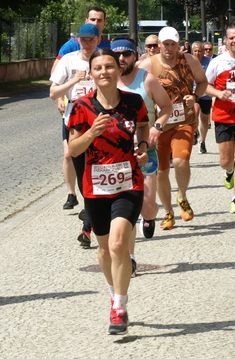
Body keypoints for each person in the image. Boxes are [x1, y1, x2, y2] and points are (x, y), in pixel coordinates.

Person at [68, 48, 150, 334]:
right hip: (95, 187)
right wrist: (91, 132)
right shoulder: (81, 107)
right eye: (98, 68)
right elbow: (73, 149)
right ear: (91, 73)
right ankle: (113, 291)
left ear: (119, 69)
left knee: (118, 244)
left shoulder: (134, 101)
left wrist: (142, 148)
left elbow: (142, 126)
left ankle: (119, 306)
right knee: (104, 250)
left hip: (129, 182)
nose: (104, 72)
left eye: (110, 67)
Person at [112, 39, 172, 275]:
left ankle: (151, 215)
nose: (121, 59)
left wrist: (157, 126)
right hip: (117, 154)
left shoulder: (146, 79)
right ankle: (130, 258)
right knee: (126, 210)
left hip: (146, 149)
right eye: (117, 55)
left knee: (147, 207)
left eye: (126, 54)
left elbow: (166, 106)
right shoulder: (107, 81)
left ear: (134, 55)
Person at [139, 26, 207, 230]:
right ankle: (168, 212)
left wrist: (194, 97)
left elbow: (202, 82)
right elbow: (135, 89)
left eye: (173, 44)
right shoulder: (148, 64)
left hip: (183, 121)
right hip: (157, 126)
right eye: (165, 44)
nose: (169, 48)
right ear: (159, 45)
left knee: (180, 161)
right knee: (161, 171)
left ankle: (182, 196)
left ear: (179, 44)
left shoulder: (188, 61)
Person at [50, 23, 101, 247]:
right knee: (79, 167)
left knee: (98, 168)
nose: (87, 43)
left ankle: (88, 224)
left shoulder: (102, 59)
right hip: (75, 121)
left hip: (100, 120)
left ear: (98, 40)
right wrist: (74, 81)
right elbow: (53, 92)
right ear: (78, 40)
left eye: (91, 39)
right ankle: (89, 210)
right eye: (83, 39)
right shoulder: (68, 60)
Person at [204, 23, 235, 214]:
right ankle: (229, 171)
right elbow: (203, 86)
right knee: (226, 161)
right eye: (231, 38)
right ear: (226, 40)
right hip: (223, 116)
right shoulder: (217, 62)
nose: (234, 41)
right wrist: (218, 93)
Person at [191, 41, 213, 154]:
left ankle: (202, 142)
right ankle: (195, 131)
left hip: (205, 93)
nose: (197, 53)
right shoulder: (188, 61)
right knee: (194, 112)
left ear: (203, 51)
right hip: (193, 92)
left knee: (204, 118)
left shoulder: (209, 62)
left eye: (200, 51)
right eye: (195, 51)